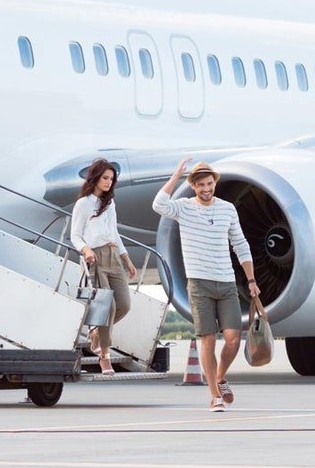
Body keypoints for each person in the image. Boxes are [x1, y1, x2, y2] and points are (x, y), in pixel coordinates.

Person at [152, 158, 258, 411]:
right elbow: (158, 205)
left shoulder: (227, 209)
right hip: (199, 284)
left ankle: (219, 377)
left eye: (209, 183)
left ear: (214, 183)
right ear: (193, 186)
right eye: (200, 185)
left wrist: (251, 280)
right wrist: (176, 175)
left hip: (226, 282)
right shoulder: (183, 208)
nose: (206, 188)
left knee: (233, 338)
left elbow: (241, 245)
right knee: (208, 340)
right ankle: (214, 395)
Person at [71, 158, 140, 374]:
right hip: (96, 257)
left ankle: (95, 332)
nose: (109, 182)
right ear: (95, 178)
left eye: (111, 179)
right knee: (107, 307)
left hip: (114, 256)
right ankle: (105, 358)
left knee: (124, 304)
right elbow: (75, 235)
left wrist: (126, 258)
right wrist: (85, 249)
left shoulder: (110, 203)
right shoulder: (83, 204)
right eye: (105, 178)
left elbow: (114, 233)